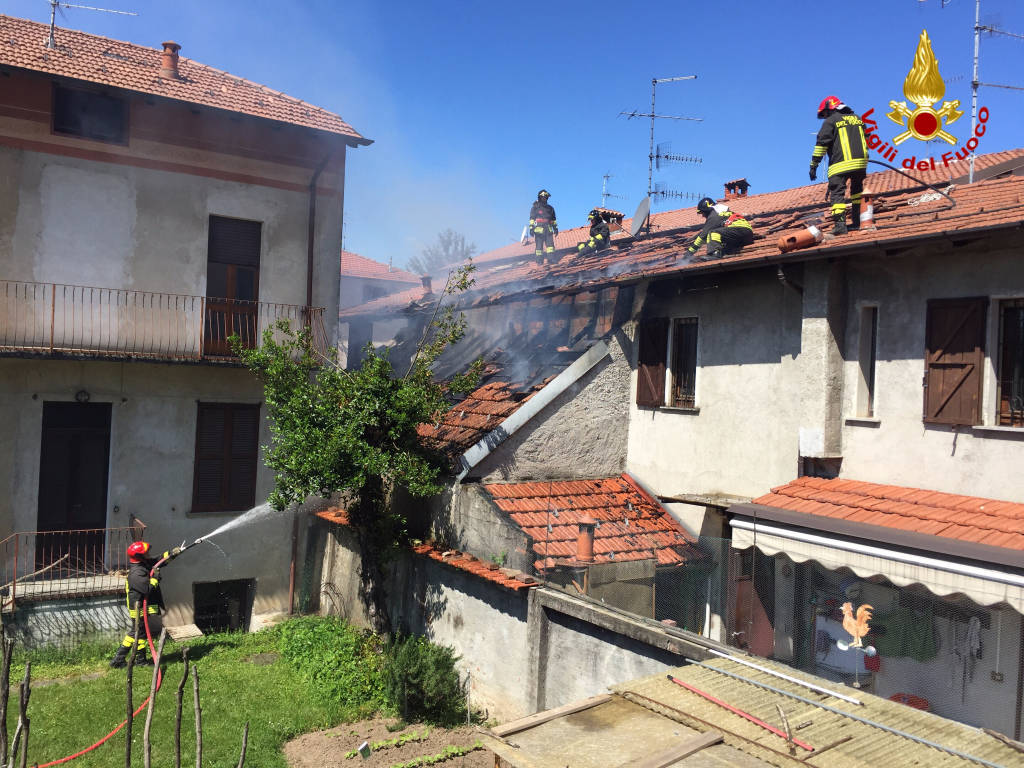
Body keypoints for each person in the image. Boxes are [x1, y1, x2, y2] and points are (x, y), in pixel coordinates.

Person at [109, 540, 182, 668]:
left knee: (139, 632)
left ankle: (135, 660)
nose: (148, 554)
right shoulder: (136, 573)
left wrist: (172, 554)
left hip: (141, 606)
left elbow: (159, 560)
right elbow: (147, 589)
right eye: (146, 553)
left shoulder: (143, 564)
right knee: (137, 632)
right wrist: (155, 578)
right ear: (139, 556)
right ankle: (122, 659)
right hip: (137, 607)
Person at [810, 96, 868, 235]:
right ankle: (857, 221)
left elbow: (821, 145)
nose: (824, 117)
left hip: (840, 164)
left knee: (837, 195)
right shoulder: (858, 119)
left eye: (824, 114)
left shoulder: (831, 121)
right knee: (856, 192)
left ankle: (840, 226)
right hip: (861, 164)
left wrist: (814, 166)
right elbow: (866, 137)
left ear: (829, 108)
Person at [685, 197, 753, 260]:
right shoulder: (720, 213)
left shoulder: (714, 216)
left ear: (707, 210)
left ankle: (714, 254)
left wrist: (688, 254)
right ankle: (722, 253)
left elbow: (703, 236)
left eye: (703, 213)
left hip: (741, 230)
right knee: (721, 243)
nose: (702, 216)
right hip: (744, 236)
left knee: (713, 233)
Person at [528, 189, 558, 262]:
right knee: (539, 246)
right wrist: (531, 228)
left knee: (550, 246)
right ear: (540, 198)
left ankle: (551, 259)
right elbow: (532, 218)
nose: (544, 198)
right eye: (543, 197)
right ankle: (539, 260)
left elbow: (553, 220)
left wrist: (555, 228)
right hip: (538, 230)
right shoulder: (535, 207)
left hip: (548, 229)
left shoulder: (550, 208)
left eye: (546, 197)